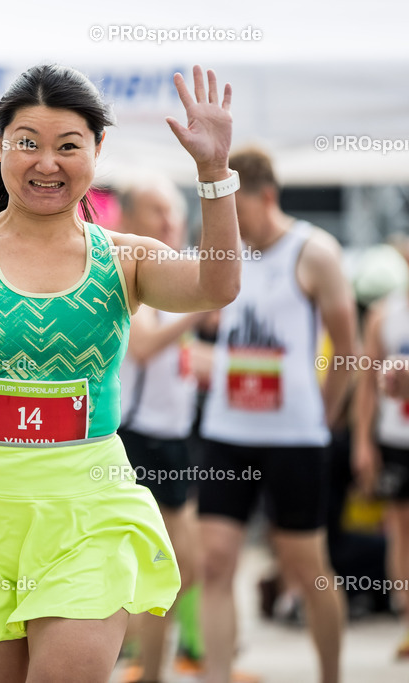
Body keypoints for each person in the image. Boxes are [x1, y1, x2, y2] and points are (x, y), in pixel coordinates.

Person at [0, 63, 240, 683]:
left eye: (69, 146)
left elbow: (217, 286)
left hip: (89, 506)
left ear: (98, 149)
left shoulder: (125, 258)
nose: (48, 163)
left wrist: (213, 172)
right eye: (28, 143)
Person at [198, 146, 356, 683]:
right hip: (227, 431)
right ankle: (217, 675)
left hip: (294, 436)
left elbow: (348, 348)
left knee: (306, 569)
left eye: (238, 209)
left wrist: (323, 416)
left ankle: (330, 675)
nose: (232, 223)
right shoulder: (226, 252)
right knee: (214, 561)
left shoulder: (315, 252)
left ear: (267, 196)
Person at [115, 175, 207, 683]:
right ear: (128, 218)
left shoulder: (176, 275)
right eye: (157, 211)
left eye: (174, 211)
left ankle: (144, 660)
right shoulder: (129, 272)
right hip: (140, 438)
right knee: (168, 565)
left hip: (176, 440)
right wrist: (203, 306)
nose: (170, 222)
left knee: (180, 568)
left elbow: (184, 359)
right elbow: (146, 347)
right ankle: (141, 663)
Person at [354, 271, 409, 657]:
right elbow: (367, 385)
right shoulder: (384, 314)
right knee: (400, 530)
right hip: (395, 440)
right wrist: (363, 442)